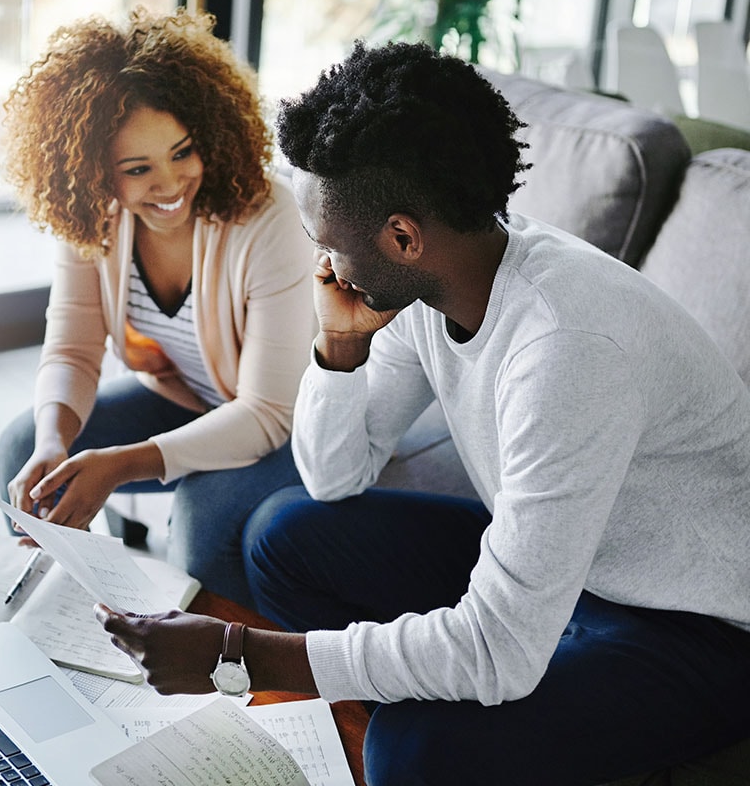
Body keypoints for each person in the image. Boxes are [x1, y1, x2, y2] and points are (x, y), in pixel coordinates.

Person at [98, 40, 750, 785]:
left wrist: (235, 653)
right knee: (284, 536)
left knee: (414, 747)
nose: (321, 266)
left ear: (402, 237)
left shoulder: (567, 347)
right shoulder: (431, 282)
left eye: (326, 243)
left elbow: (503, 646)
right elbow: (334, 478)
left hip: (695, 629)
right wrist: (337, 346)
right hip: (571, 572)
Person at [0, 7, 313, 605]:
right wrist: (51, 443)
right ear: (93, 174)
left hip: (295, 428)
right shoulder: (93, 217)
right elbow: (72, 348)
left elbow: (269, 412)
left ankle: (215, 679)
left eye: (183, 152)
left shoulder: (269, 217)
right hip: (195, 401)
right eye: (137, 169)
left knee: (201, 516)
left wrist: (119, 465)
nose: (169, 184)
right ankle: (58, 626)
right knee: (22, 448)